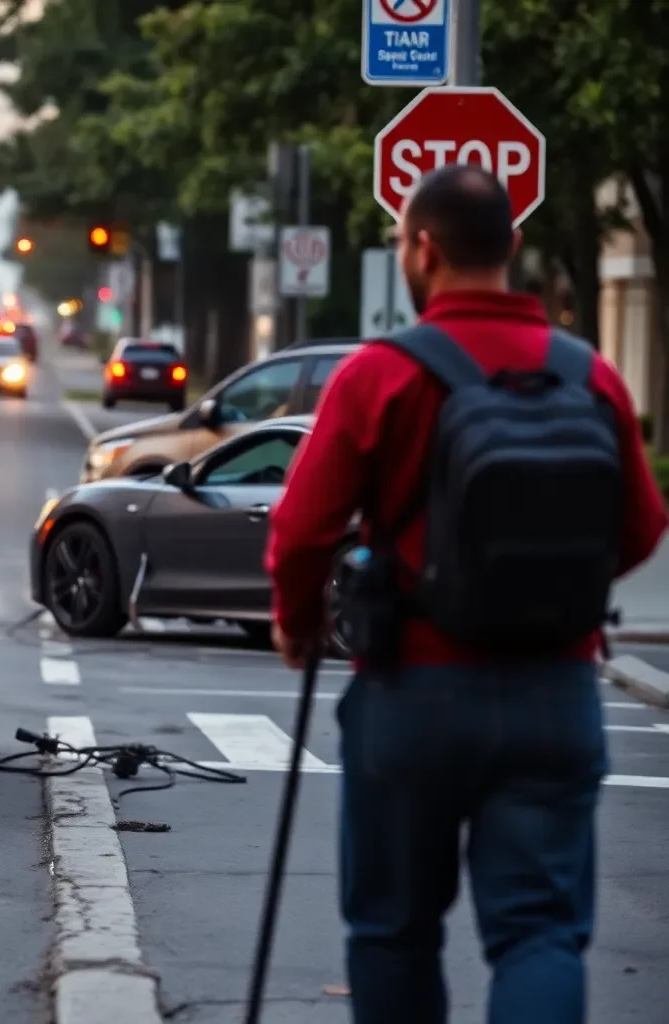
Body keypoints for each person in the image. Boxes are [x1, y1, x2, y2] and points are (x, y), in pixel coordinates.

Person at [265, 165, 668, 1024]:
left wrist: (298, 628)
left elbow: (301, 530)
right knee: (540, 934)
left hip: (413, 689)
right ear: (514, 247)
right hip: (556, 692)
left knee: (393, 932)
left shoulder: (380, 375)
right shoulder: (590, 376)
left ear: (422, 248)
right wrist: (558, 590)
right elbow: (641, 526)